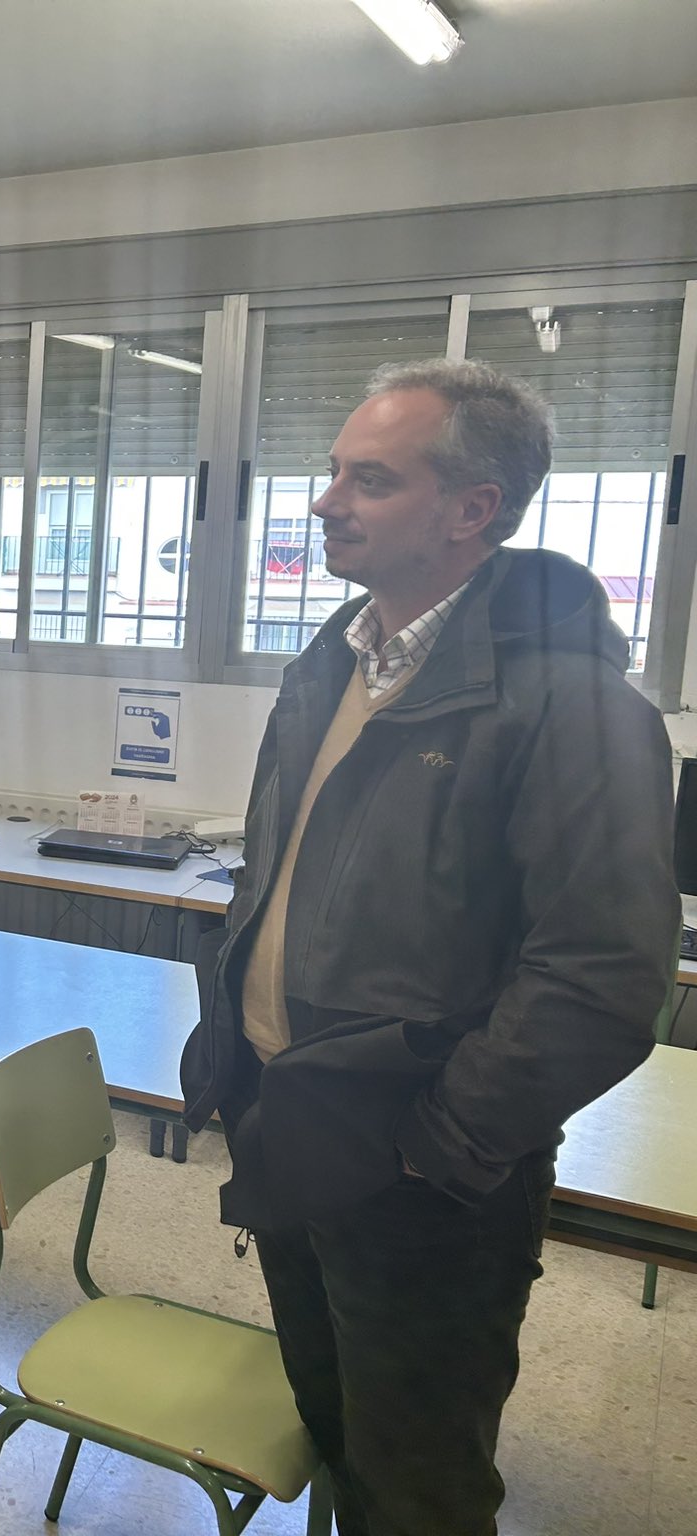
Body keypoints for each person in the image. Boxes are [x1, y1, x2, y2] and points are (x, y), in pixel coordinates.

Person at [179, 359, 677, 1534]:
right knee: (336, 1435)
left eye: (369, 479)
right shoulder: (332, 661)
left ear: (471, 511)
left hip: (420, 1174)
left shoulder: (573, 705)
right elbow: (278, 878)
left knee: (420, 1487)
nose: (324, 501)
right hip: (296, 1125)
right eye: (331, 471)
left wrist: (437, 1142)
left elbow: (602, 978)